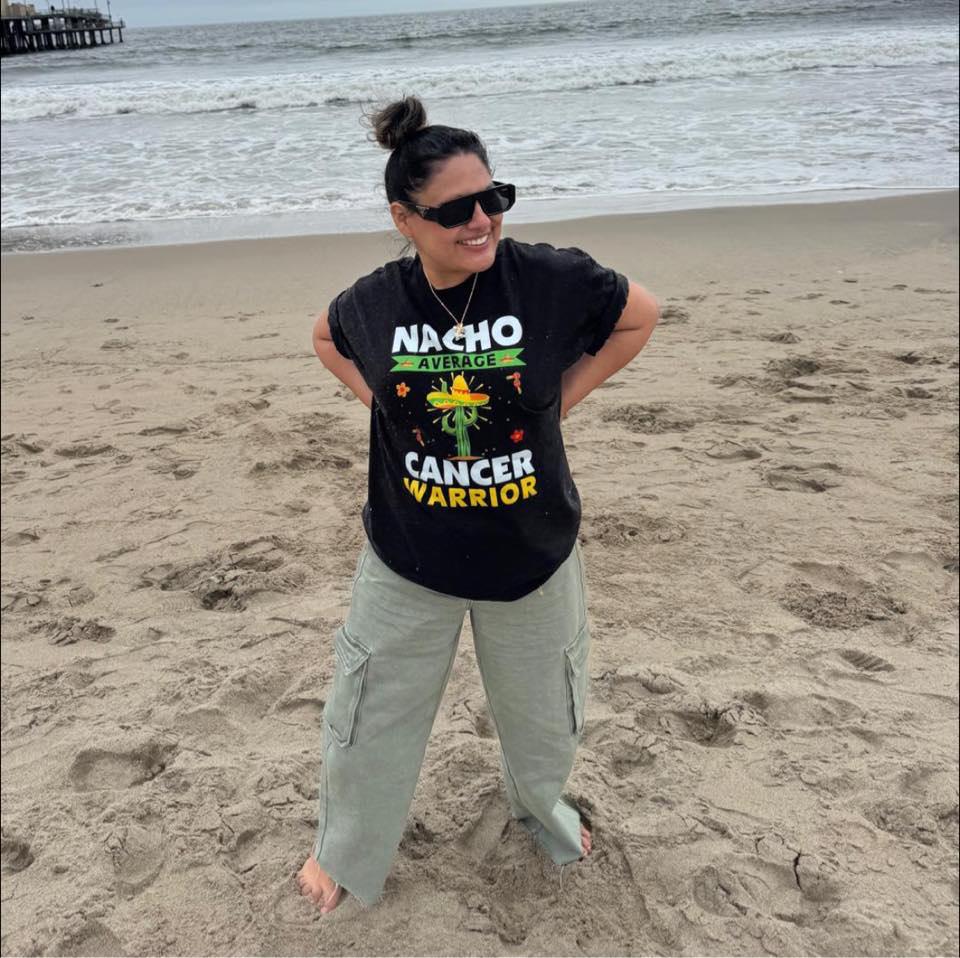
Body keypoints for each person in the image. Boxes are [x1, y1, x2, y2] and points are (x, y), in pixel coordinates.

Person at [297, 95, 659, 914]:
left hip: (532, 550)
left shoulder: (548, 280)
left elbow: (640, 316)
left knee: (544, 719)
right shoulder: (376, 302)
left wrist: (562, 400)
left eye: (493, 198)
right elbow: (323, 337)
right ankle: (345, 851)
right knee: (369, 714)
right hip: (408, 553)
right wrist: (383, 407)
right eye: (455, 210)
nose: (481, 221)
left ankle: (542, 813)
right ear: (405, 219)